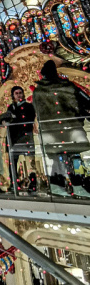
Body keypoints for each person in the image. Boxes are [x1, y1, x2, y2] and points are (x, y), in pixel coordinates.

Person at [32, 60, 90, 195]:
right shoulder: (67, 86)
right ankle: (76, 184)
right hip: (70, 127)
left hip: (50, 129)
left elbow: (38, 110)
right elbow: (85, 100)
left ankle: (57, 184)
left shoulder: (39, 91)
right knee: (72, 156)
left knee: (59, 157)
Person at [2, 85, 36, 194]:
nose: (18, 95)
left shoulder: (29, 106)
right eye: (16, 93)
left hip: (25, 136)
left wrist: (15, 118)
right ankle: (14, 183)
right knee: (13, 161)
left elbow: (29, 118)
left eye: (20, 93)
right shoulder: (10, 107)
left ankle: (33, 182)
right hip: (13, 137)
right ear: (13, 95)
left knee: (30, 161)